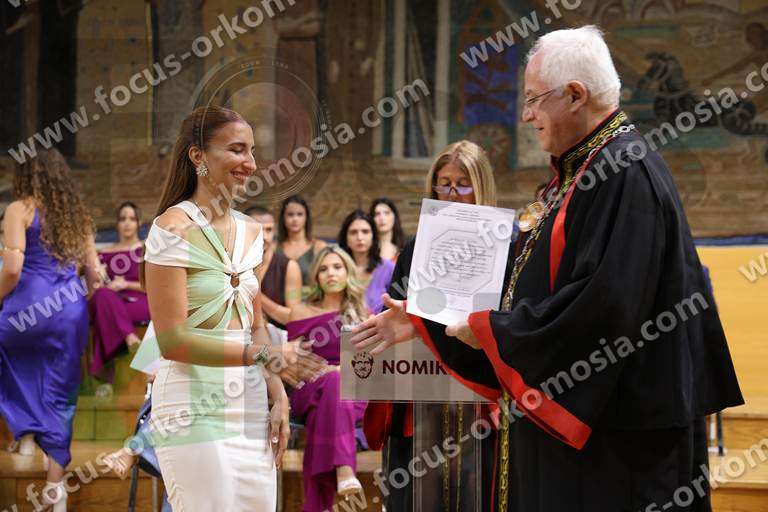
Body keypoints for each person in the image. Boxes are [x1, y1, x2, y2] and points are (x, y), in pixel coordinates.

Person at [352, 26, 743, 511]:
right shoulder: (586, 171)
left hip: (619, 447)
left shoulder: (624, 172)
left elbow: (601, 309)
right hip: (596, 445)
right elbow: (537, 297)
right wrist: (423, 321)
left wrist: (489, 329)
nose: (526, 114)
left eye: (534, 99)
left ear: (575, 95)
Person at [132, 106, 290, 511]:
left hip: (250, 403)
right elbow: (173, 342)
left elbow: (256, 325)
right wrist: (258, 355)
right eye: (237, 150)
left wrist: (278, 394)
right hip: (190, 400)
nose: (250, 163)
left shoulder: (252, 231)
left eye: (252, 151)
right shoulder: (171, 229)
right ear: (197, 155)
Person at [362, 140, 509, 511]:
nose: (452, 193)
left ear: (481, 185)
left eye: (463, 184)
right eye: (444, 184)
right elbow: (395, 307)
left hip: (477, 392)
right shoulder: (416, 247)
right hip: (422, 390)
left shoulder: (505, 244)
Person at [0, 148, 101, 511]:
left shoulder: (19, 209)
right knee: (61, 395)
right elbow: (95, 277)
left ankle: (25, 431)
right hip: (68, 310)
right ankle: (55, 490)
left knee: (12, 361)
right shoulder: (78, 216)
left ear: (25, 176)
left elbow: (12, 268)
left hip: (26, 305)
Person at [286, 245, 369, 511]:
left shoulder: (364, 313)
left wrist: (341, 372)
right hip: (309, 387)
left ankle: (316, 505)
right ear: (316, 277)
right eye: (323, 269)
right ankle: (344, 468)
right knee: (333, 383)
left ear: (348, 272)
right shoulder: (300, 311)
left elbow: (369, 366)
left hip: (352, 391)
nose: (330, 273)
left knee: (335, 391)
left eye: (337, 267)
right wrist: (326, 371)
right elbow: (292, 363)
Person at [89, 201, 150, 376]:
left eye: (132, 219)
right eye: (122, 219)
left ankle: (105, 373)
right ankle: (131, 339)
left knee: (104, 313)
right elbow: (95, 286)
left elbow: (154, 286)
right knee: (103, 295)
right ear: (117, 224)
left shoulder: (146, 249)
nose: (127, 223)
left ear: (139, 223)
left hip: (138, 299)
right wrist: (99, 277)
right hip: (110, 299)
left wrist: (126, 284)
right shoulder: (104, 253)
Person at [245, 205, 302, 329]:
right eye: (258, 230)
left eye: (269, 230)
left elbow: (294, 318)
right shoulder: (232, 264)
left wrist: (255, 293)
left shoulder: (289, 267)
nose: (264, 237)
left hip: (277, 337)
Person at [338, 209, 395, 314]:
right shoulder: (337, 268)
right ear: (345, 238)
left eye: (365, 232)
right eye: (353, 232)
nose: (360, 237)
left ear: (373, 236)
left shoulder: (389, 268)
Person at [276, 194, 326, 286]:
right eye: (290, 214)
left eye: (300, 214)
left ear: (306, 217)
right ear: (283, 218)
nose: (295, 219)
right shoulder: (274, 248)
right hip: (278, 295)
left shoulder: (319, 247)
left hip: (311, 295)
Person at [369, 198, 406, 262]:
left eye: (386, 213)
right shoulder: (366, 249)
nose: (382, 218)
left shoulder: (406, 248)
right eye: (377, 214)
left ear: (394, 217)